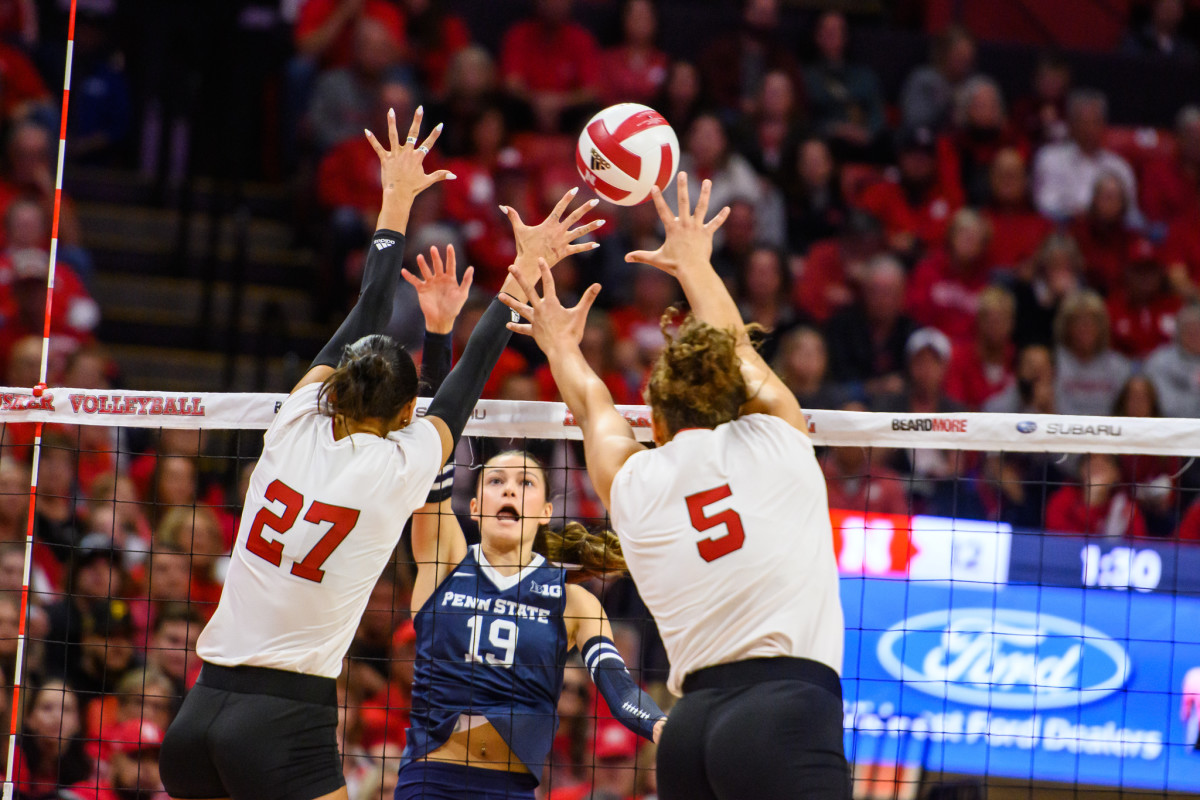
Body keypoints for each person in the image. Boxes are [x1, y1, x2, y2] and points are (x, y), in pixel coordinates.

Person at [158, 107, 602, 800]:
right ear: (404, 415)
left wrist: (395, 199)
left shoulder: (295, 423)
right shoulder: (395, 471)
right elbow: (463, 385)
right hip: (282, 720)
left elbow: (364, 315)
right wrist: (524, 267)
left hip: (196, 712)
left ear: (335, 389)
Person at [502, 173, 848, 799]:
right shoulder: (776, 439)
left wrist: (559, 344)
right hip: (783, 712)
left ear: (656, 418)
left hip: (689, 730)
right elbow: (735, 348)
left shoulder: (635, 482)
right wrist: (694, 265)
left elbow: (592, 408)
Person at [397, 444, 666, 798]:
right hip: (432, 780)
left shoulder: (573, 602)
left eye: (526, 483)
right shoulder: (444, 563)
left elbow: (622, 690)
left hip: (510, 788)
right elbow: (433, 459)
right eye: (495, 481)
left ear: (545, 512)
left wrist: (660, 724)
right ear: (474, 508)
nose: (509, 489)